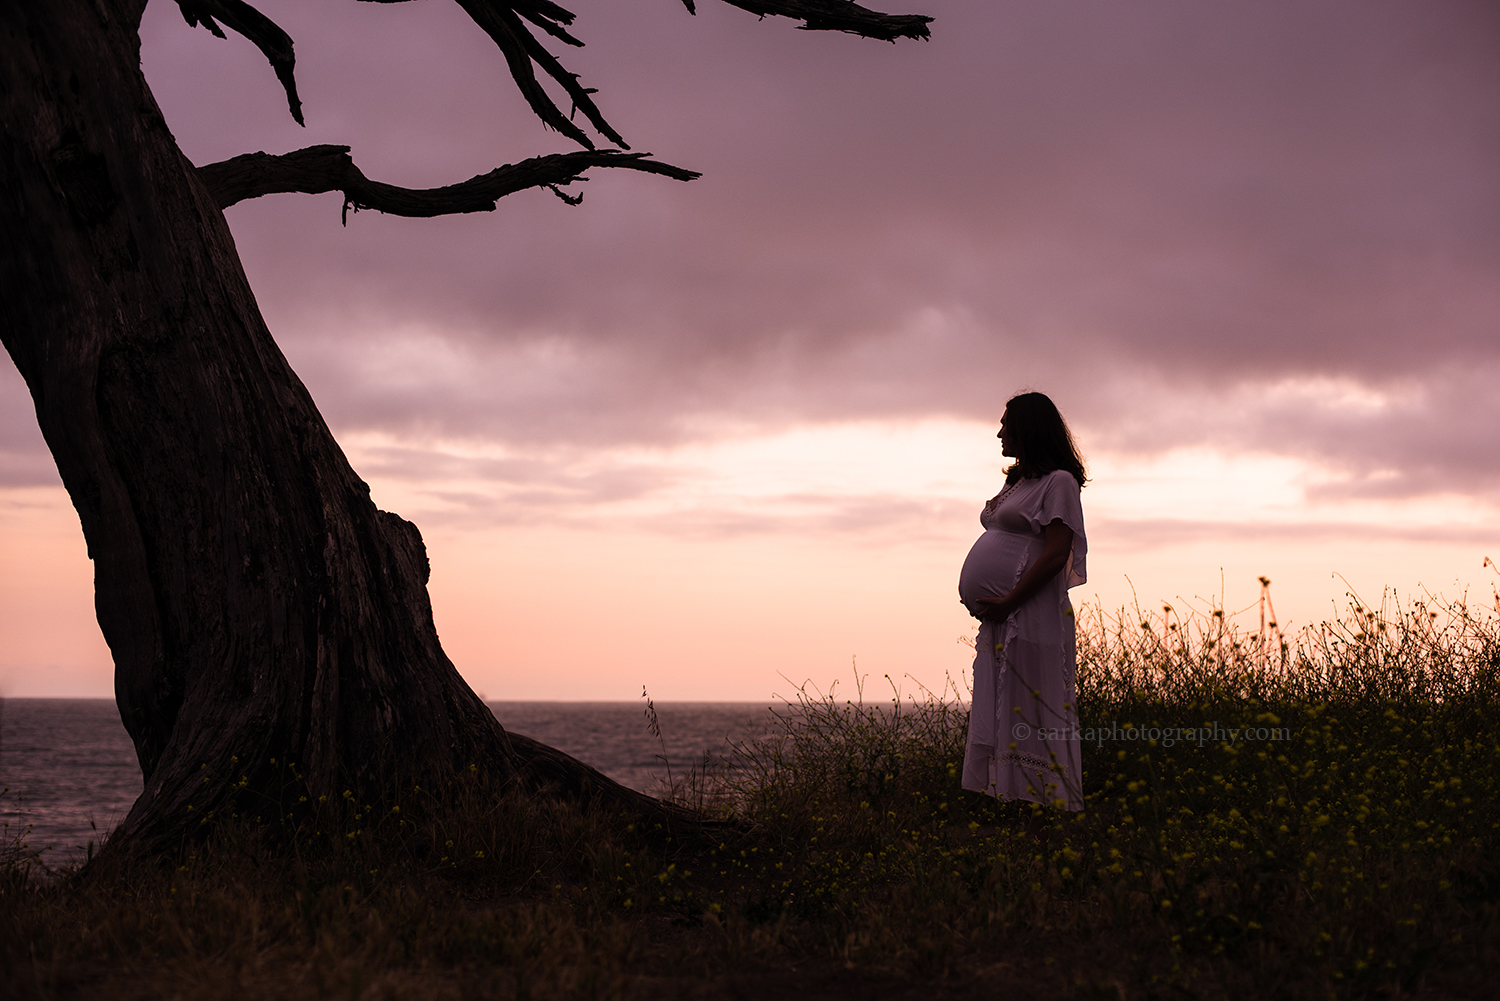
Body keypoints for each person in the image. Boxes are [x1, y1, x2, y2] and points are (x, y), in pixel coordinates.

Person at [957, 392, 1088, 811]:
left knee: (1031, 714)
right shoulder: (1018, 481)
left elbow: (1055, 553)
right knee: (1003, 714)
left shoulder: (1060, 483)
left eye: (1006, 424)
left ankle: (1041, 824)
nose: (999, 432)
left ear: (1027, 429)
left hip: (1028, 617)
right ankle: (1016, 816)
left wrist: (1010, 600)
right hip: (1002, 618)